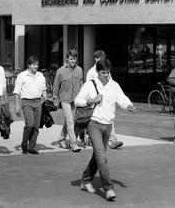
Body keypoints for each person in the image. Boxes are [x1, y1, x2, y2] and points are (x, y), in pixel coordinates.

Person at [75, 59, 136, 201]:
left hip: (108, 125)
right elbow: (77, 100)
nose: (106, 75)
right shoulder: (90, 85)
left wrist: (129, 106)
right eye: (103, 73)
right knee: (102, 157)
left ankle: (86, 179)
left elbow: (122, 99)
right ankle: (108, 188)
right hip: (94, 124)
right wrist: (91, 100)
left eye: (108, 73)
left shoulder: (114, 85)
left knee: (98, 155)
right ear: (97, 72)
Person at [86, 50, 123, 149]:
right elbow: (88, 87)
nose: (103, 60)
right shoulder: (91, 72)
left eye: (104, 58)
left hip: (106, 100)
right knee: (94, 121)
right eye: (101, 58)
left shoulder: (106, 70)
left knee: (109, 120)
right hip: (96, 101)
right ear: (96, 59)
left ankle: (112, 140)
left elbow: (111, 83)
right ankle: (91, 138)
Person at [13, 56, 47, 155]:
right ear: (28, 65)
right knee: (30, 124)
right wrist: (17, 106)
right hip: (26, 102)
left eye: (37, 64)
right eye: (33, 64)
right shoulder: (22, 76)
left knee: (36, 126)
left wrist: (46, 99)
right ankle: (24, 143)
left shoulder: (40, 75)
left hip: (38, 102)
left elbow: (43, 89)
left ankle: (32, 147)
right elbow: (16, 92)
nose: (35, 66)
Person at [53, 49, 83, 152]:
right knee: (70, 121)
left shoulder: (79, 70)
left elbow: (81, 85)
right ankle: (73, 143)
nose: (73, 61)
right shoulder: (61, 71)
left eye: (74, 58)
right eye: (71, 59)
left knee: (70, 120)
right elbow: (56, 85)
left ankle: (61, 138)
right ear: (67, 59)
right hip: (65, 99)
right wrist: (55, 98)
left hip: (76, 99)